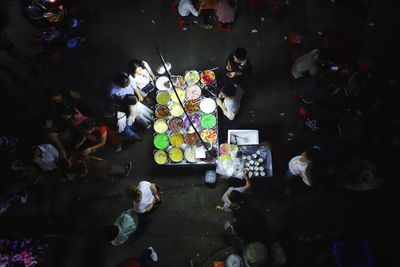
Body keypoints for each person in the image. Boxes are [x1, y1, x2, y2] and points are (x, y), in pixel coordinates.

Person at [109, 72, 142, 140]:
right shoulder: (113, 91)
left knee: (130, 123)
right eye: (125, 85)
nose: (127, 86)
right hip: (127, 109)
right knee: (127, 127)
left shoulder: (125, 76)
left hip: (130, 104)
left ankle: (134, 128)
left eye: (128, 84)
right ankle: (136, 136)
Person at [67, 156, 132, 182]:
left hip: (98, 176)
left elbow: (85, 180)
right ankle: (125, 171)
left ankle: (111, 179)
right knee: (113, 168)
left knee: (105, 177)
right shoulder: (88, 161)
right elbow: (98, 159)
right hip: (105, 167)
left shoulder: (81, 174)